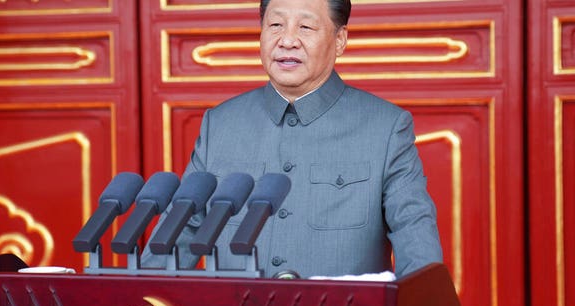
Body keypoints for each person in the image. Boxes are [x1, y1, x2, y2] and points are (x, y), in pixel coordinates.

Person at [142, 0, 443, 279]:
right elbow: (181, 232)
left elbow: (413, 232)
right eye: (275, 25)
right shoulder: (220, 124)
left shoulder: (385, 128)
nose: (287, 40)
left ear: (340, 40)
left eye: (306, 27)